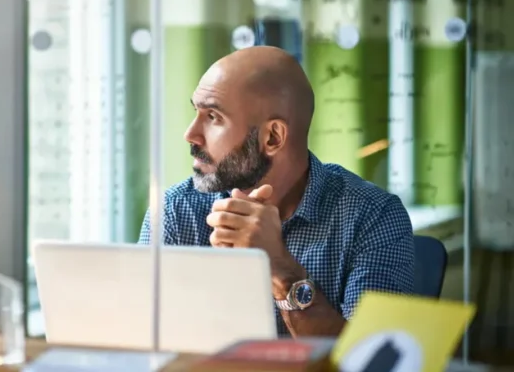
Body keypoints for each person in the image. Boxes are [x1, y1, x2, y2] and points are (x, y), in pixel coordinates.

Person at [138, 46, 415, 338]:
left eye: (213, 117)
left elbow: (371, 362)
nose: (190, 134)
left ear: (272, 137)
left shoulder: (374, 217)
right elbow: (136, 344)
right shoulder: (175, 211)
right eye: (196, 112)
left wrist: (280, 268)